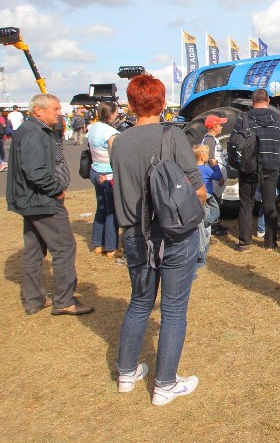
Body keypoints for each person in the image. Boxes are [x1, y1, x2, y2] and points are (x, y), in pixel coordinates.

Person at [110, 73, 206, 405]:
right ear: (162, 103)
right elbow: (198, 188)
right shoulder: (172, 134)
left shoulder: (119, 141)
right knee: (174, 309)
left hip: (135, 233)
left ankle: (126, 372)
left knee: (139, 301)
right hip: (174, 233)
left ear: (131, 103)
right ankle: (165, 384)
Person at [7, 93, 94, 316]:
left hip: (31, 199)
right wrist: (56, 190)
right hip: (41, 200)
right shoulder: (34, 132)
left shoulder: (32, 130)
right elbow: (34, 170)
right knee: (64, 247)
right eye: (54, 109)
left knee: (34, 250)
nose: (59, 112)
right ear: (38, 110)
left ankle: (34, 299)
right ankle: (64, 300)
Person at [235, 89, 280, 252]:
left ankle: (245, 242)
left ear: (252, 101)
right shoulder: (278, 120)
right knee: (270, 204)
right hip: (270, 165)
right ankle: (270, 243)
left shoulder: (243, 118)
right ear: (268, 101)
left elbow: (234, 141)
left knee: (246, 203)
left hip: (248, 166)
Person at [87, 101, 121, 261]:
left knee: (100, 208)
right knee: (111, 211)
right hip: (107, 173)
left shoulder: (93, 127)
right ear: (112, 113)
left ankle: (97, 243)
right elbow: (116, 156)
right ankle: (111, 247)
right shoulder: (110, 132)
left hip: (95, 170)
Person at [193, 144, 222, 273]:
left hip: (195, 200)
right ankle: (203, 251)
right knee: (207, 223)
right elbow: (218, 176)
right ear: (203, 157)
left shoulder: (192, 169)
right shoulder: (205, 169)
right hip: (206, 199)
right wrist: (215, 165)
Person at [201, 115, 229, 237]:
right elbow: (211, 159)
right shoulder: (209, 140)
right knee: (214, 202)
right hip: (214, 178)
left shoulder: (211, 139)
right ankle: (213, 227)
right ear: (213, 127)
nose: (222, 126)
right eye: (219, 124)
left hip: (215, 177)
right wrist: (219, 176)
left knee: (216, 200)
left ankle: (214, 225)